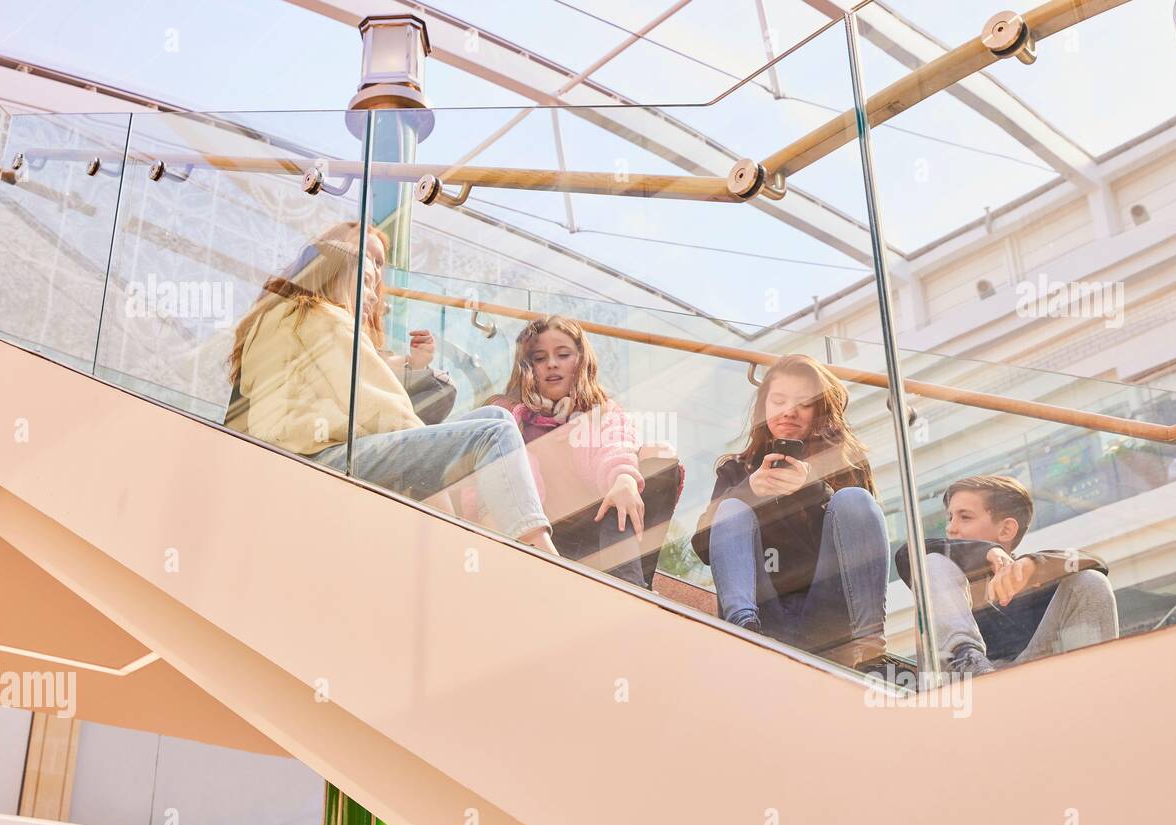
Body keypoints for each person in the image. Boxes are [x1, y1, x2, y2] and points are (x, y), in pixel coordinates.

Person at [225, 221, 556, 554]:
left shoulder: (282, 317)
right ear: (337, 273)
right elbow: (381, 407)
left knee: (497, 417)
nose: (374, 293)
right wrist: (434, 475)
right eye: (366, 279)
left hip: (303, 454)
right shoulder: (325, 318)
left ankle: (511, 536)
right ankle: (541, 553)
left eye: (378, 272)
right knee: (493, 434)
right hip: (319, 458)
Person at [691, 354, 889, 669]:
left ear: (821, 409)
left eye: (804, 403)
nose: (789, 411)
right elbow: (703, 547)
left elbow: (861, 534)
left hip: (831, 616)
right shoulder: (737, 470)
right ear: (763, 408)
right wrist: (749, 491)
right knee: (731, 507)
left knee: (854, 500)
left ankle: (870, 648)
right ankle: (742, 630)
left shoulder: (845, 463)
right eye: (778, 400)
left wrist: (813, 487)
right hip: (763, 612)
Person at [481, 315, 683, 588]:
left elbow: (617, 444)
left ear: (580, 362)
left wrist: (623, 478)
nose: (552, 363)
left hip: (605, 540)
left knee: (659, 459)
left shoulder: (602, 411)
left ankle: (629, 588)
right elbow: (480, 480)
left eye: (563, 354)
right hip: (542, 542)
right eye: (540, 358)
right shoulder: (508, 416)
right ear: (527, 367)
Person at [894, 474, 1118, 675]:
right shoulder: (942, 574)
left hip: (1028, 685)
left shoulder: (1034, 579)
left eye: (965, 517)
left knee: (1089, 579)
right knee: (932, 562)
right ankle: (968, 663)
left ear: (1006, 530)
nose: (951, 528)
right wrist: (985, 552)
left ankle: (1093, 685)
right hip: (961, 691)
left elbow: (1096, 563)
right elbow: (906, 554)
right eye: (950, 517)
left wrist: (1034, 564)